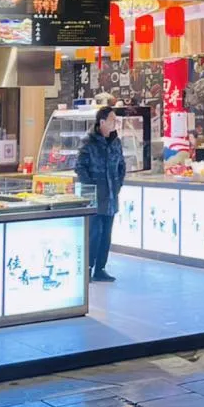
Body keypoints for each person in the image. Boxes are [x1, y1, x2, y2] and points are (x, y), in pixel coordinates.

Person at [75, 106, 126, 282]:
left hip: (111, 196)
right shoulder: (88, 142)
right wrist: (91, 188)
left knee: (106, 235)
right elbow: (80, 167)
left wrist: (118, 184)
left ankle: (100, 269)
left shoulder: (116, 142)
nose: (115, 123)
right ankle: (87, 269)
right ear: (102, 122)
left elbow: (121, 166)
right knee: (94, 234)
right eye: (112, 119)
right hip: (94, 198)